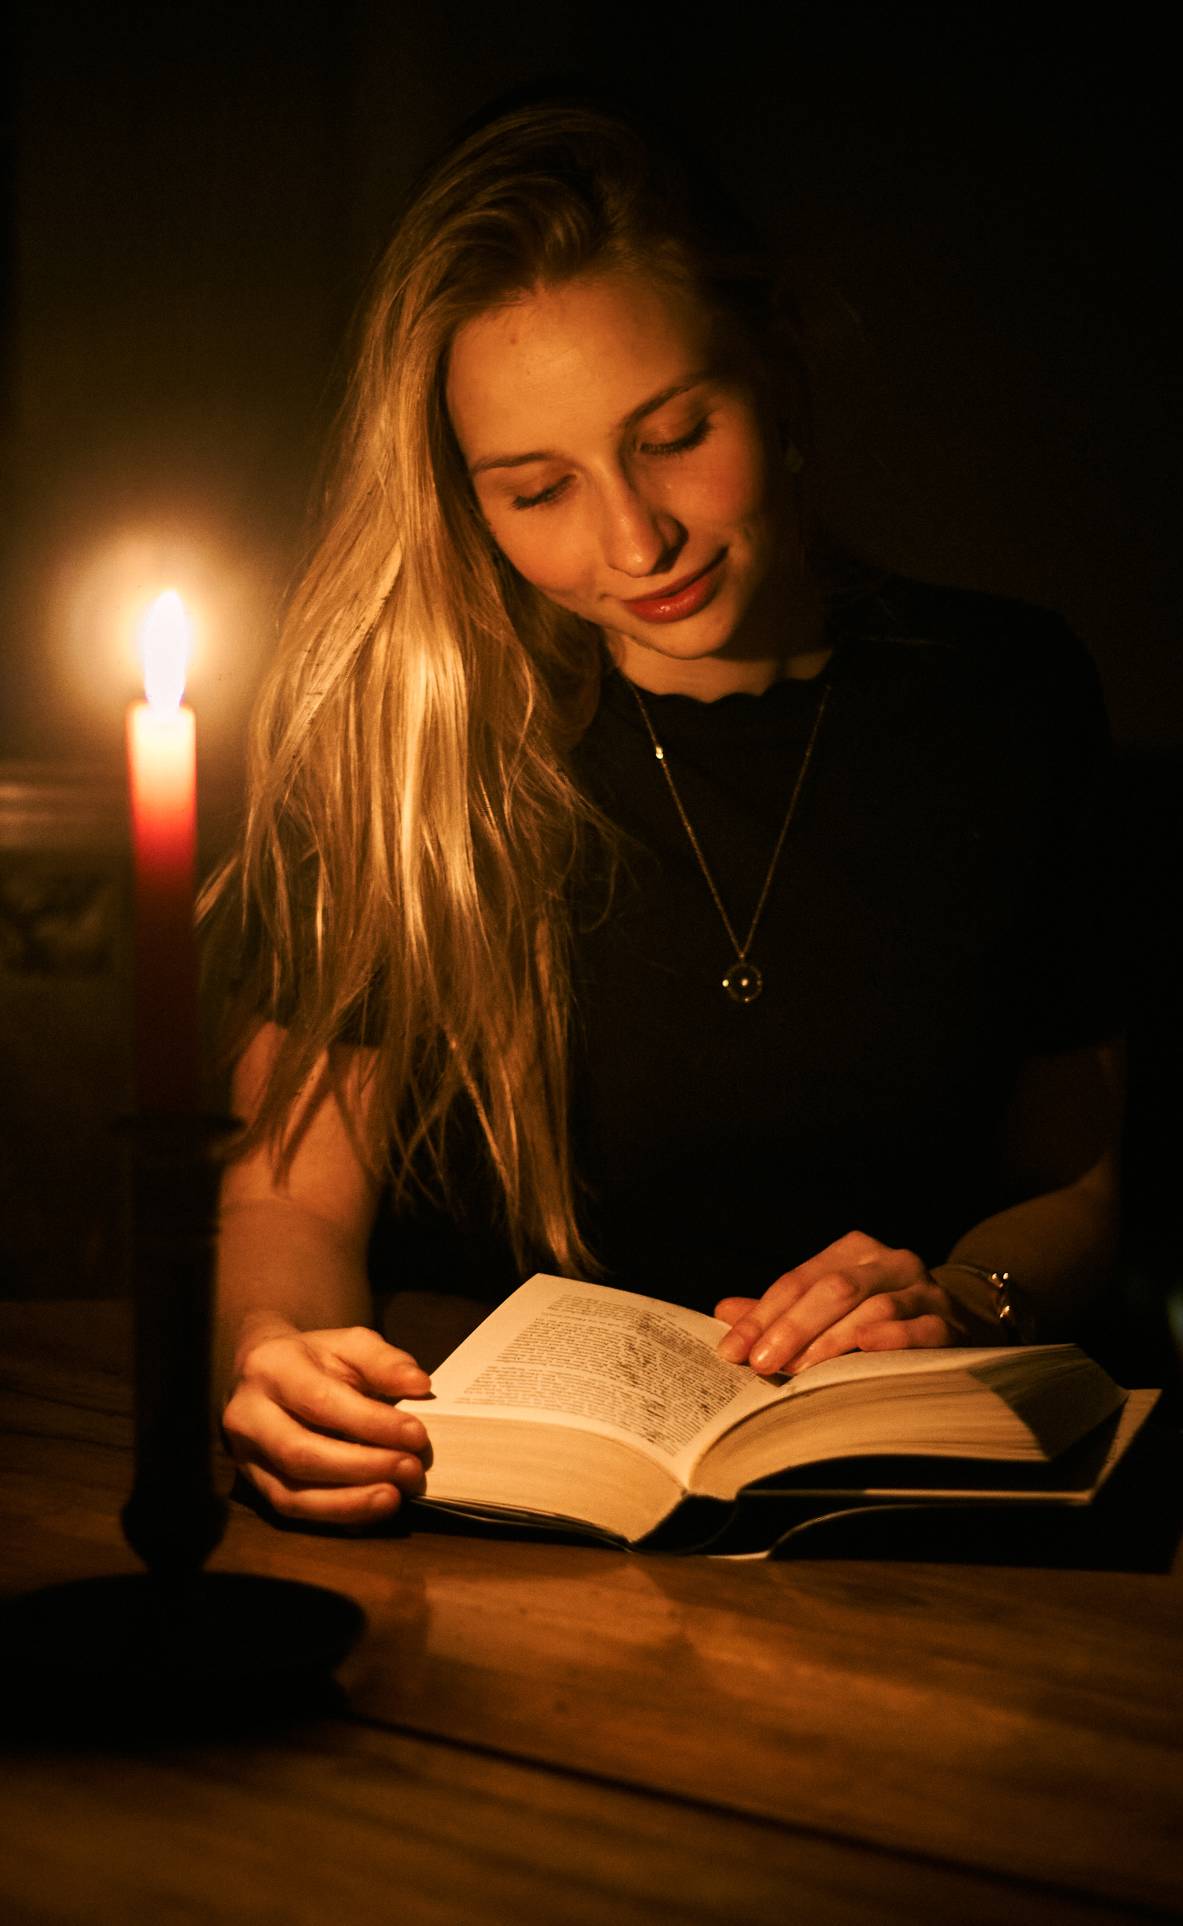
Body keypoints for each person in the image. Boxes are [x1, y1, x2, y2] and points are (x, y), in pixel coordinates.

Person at [204, 83, 1125, 1526]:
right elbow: (292, 1199)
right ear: (463, 496)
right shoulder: (399, 744)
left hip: (902, 1521)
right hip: (473, 1523)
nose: (635, 541)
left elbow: (1083, 1171)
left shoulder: (1003, 695)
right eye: (536, 489)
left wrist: (965, 1296)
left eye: (675, 432)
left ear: (778, 363)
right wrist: (271, 1356)